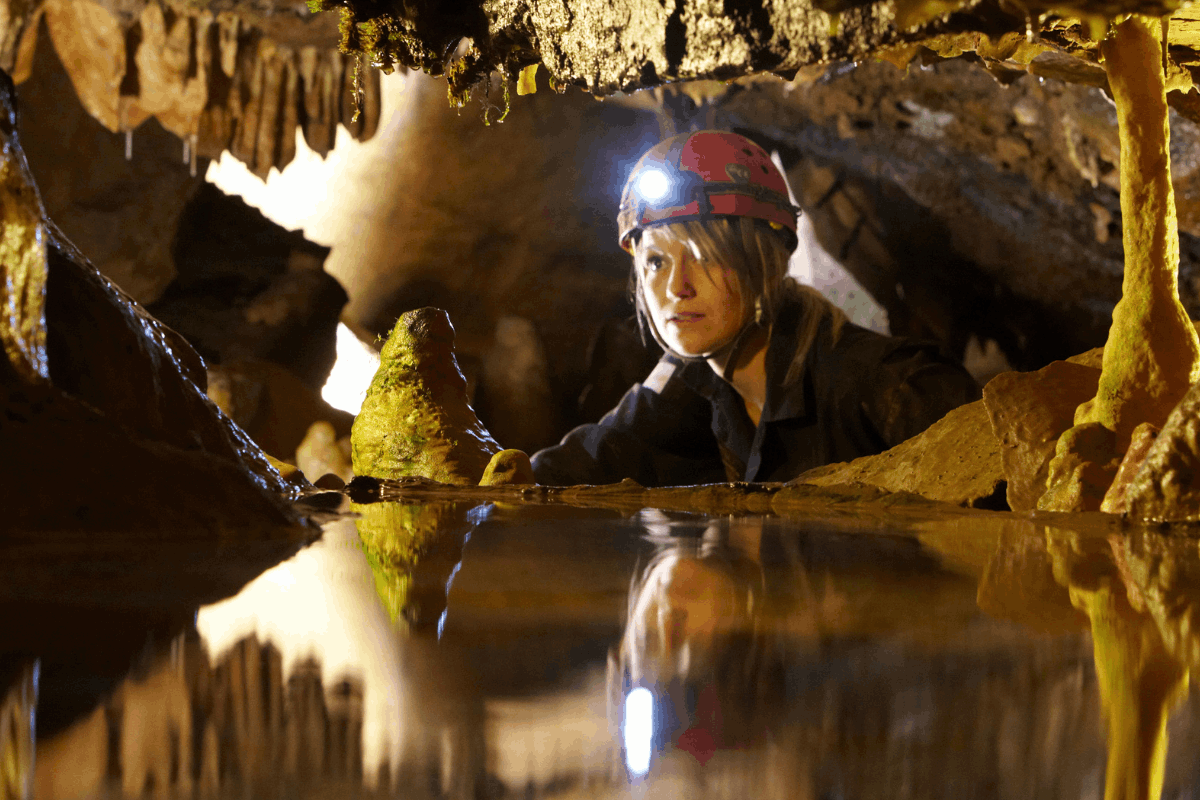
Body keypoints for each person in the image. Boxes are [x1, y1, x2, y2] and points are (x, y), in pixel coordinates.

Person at [531, 130, 980, 486]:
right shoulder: (690, 379)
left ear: (768, 263)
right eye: (655, 261)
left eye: (706, 257)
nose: (676, 286)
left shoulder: (891, 387)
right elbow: (575, 466)